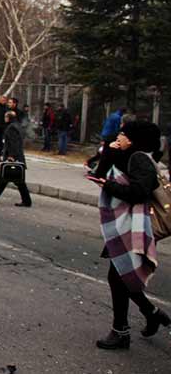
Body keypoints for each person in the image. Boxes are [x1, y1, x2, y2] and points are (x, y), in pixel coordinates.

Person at [89, 121, 168, 350]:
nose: (119, 136)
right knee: (120, 275)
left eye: (123, 134)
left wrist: (109, 186)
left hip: (137, 224)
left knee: (119, 276)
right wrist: (109, 152)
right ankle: (151, 314)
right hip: (125, 224)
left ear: (133, 139)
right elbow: (100, 174)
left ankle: (122, 331)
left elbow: (138, 192)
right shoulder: (126, 156)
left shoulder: (140, 159)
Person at [0, 111, 32, 207]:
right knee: (5, 178)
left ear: (9, 118)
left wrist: (11, 156)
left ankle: (27, 201)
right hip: (17, 155)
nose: (4, 118)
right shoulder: (16, 125)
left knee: (18, 181)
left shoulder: (11, 128)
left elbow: (13, 143)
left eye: (5, 117)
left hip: (14, 156)